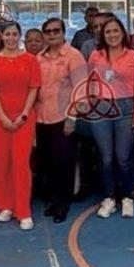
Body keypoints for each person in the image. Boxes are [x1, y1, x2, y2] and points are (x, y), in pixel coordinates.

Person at [88, 16, 134, 219]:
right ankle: (109, 198)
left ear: (123, 33)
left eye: (116, 31)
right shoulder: (95, 55)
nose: (112, 35)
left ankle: (127, 197)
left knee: (124, 157)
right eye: (108, 32)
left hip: (126, 109)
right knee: (105, 157)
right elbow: (89, 81)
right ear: (102, 35)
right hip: (101, 109)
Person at [0, 22, 42, 231]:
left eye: (14, 34)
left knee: (21, 163)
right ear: (1, 36)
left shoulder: (30, 60)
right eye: (7, 34)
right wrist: (2, 116)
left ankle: (23, 210)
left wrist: (24, 114)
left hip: (24, 118)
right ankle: (5, 205)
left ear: (20, 36)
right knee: (1, 162)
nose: (11, 38)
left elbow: (34, 88)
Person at [36, 18, 87, 223]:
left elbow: (81, 88)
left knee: (63, 163)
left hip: (64, 117)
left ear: (63, 33)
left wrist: (72, 117)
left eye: (56, 31)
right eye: (48, 31)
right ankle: (53, 200)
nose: (52, 34)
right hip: (41, 118)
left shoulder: (74, 56)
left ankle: (63, 205)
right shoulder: (38, 58)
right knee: (48, 163)